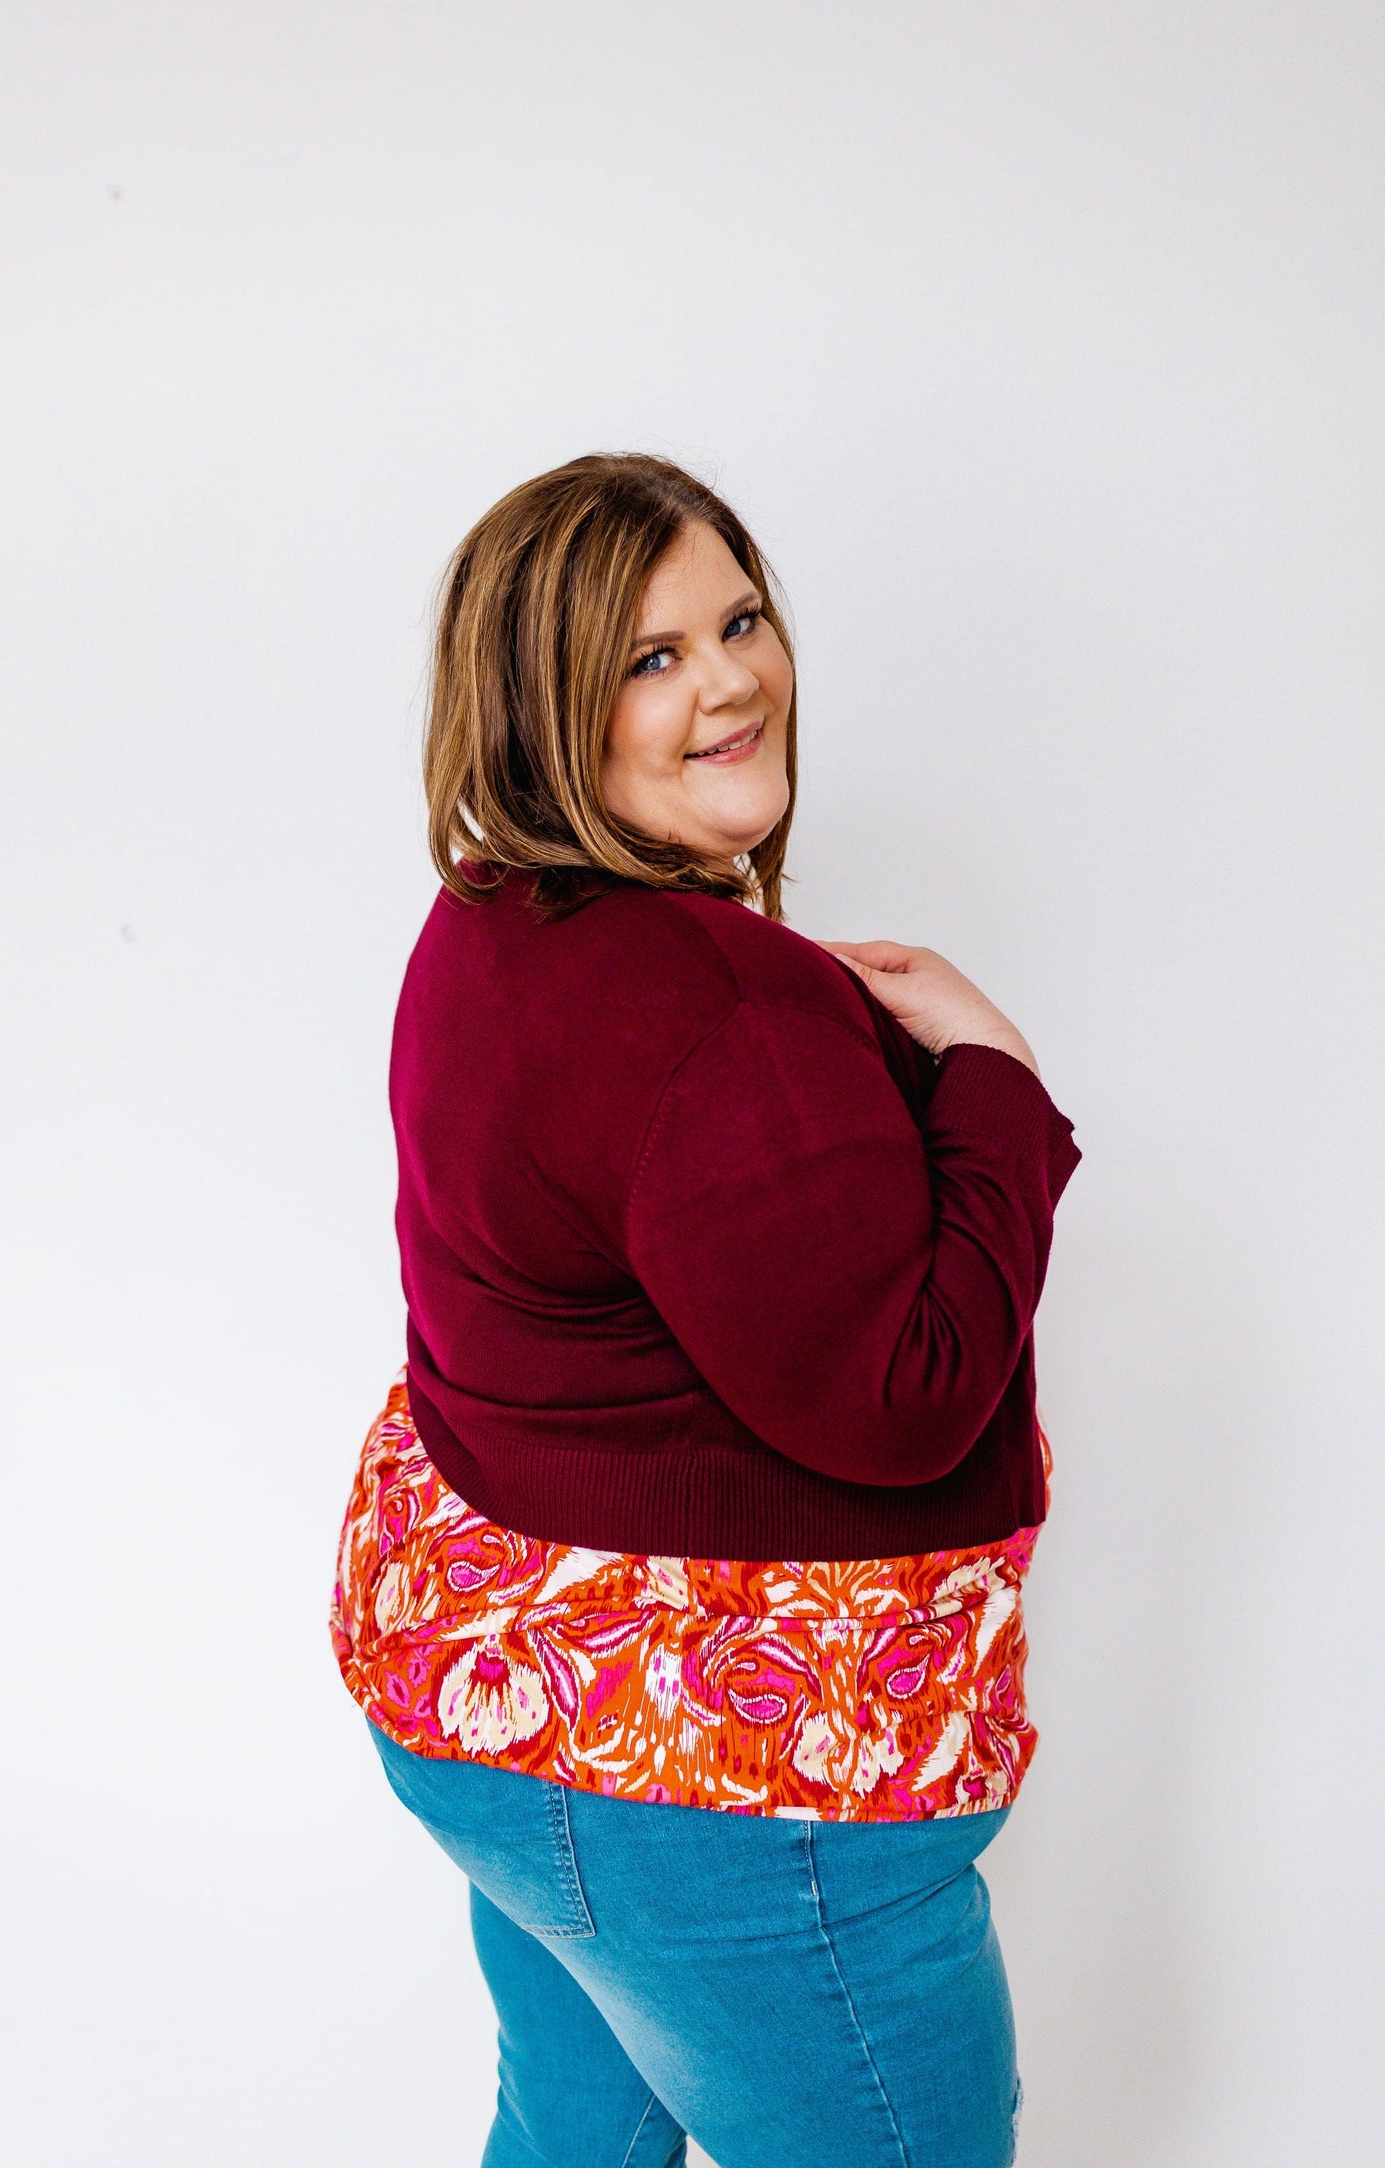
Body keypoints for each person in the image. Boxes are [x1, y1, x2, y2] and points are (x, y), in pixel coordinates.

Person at [331, 452, 1081, 2168]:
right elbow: (905, 1396)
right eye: (647, 657)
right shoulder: (714, 1017)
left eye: (737, 619)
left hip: (490, 1708)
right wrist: (991, 1080)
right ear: (540, 711)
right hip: (720, 1796)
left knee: (573, 2136)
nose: (730, 677)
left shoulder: (488, 922)